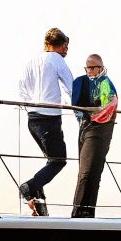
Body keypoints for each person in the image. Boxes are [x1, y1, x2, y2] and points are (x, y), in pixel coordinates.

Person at [15, 27, 74, 215]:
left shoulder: (31, 61)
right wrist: (81, 113)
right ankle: (29, 187)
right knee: (58, 161)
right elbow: (70, 87)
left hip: (32, 118)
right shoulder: (57, 60)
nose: (66, 51)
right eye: (66, 46)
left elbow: (21, 89)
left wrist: (30, 106)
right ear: (61, 44)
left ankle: (39, 202)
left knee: (51, 160)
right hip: (49, 119)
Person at [67, 54, 118, 217]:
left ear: (100, 68)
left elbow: (109, 106)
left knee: (91, 172)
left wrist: (91, 117)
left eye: (92, 67)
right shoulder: (81, 81)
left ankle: (83, 212)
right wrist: (85, 119)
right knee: (86, 173)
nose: (88, 71)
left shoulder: (106, 84)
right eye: (87, 67)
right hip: (85, 129)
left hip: (99, 130)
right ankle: (83, 212)